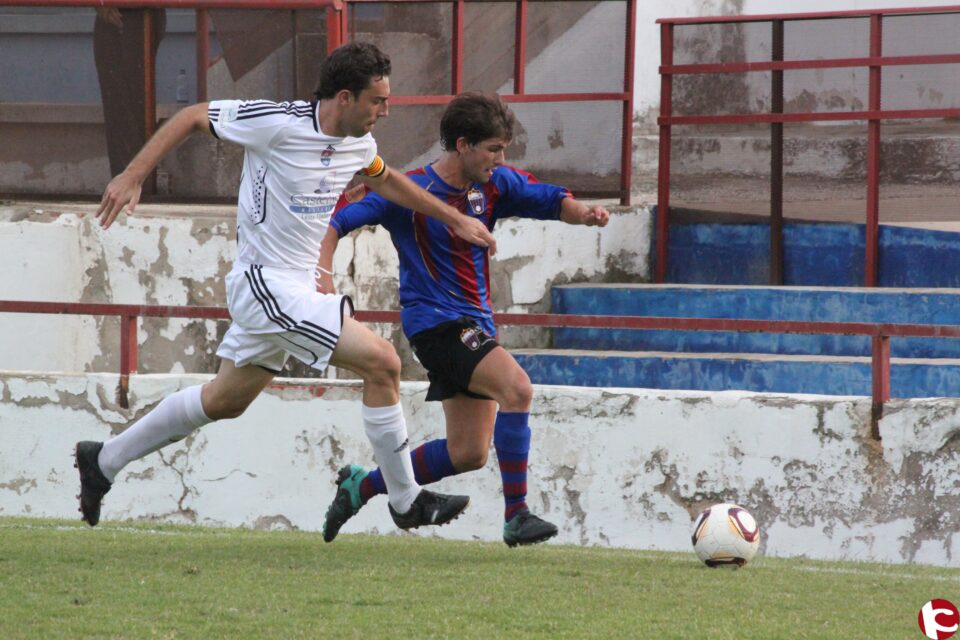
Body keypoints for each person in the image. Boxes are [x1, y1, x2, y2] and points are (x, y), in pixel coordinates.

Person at [75, 43, 499, 534]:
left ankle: (103, 460)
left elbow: (385, 180)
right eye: (377, 100)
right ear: (345, 97)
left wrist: (453, 219)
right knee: (383, 362)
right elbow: (192, 116)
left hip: (296, 290)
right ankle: (405, 501)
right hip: (264, 284)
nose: (385, 110)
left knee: (224, 400)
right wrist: (133, 175)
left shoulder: (359, 144)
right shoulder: (277, 123)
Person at [317, 92, 609, 547]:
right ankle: (517, 515)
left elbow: (551, 199)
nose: (500, 159)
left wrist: (584, 214)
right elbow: (335, 221)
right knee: (518, 388)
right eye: (493, 149)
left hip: (475, 325)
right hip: (436, 325)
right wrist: (321, 276)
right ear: (462, 145)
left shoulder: (493, 185)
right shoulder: (407, 191)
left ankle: (362, 485)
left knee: (468, 452)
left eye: (503, 149)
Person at [94, 6, 167, 177]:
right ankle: (127, 177)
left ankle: (136, 179)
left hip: (140, 14)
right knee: (119, 105)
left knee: (134, 102)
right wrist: (100, 4)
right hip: (116, 17)